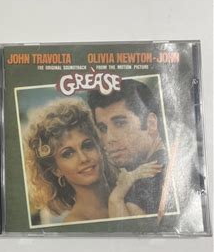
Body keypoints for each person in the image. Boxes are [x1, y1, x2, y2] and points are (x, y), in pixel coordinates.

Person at [25, 99, 161, 225]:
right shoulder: (76, 223)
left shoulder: (133, 190)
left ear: (100, 146)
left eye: (87, 145)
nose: (84, 158)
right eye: (68, 154)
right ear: (56, 169)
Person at [88, 79, 169, 217]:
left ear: (151, 124)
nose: (109, 139)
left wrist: (115, 198)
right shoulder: (149, 167)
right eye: (102, 128)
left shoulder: (148, 177)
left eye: (120, 124)